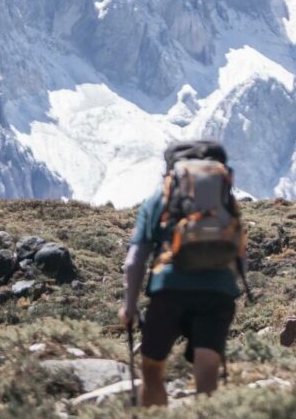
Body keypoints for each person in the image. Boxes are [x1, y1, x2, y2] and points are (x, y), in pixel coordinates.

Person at [120, 141, 246, 408]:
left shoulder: (160, 198)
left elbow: (135, 261)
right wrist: (229, 287)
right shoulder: (226, 200)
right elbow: (239, 251)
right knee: (208, 371)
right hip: (218, 291)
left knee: (152, 369)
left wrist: (129, 307)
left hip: (170, 290)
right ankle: (205, 411)